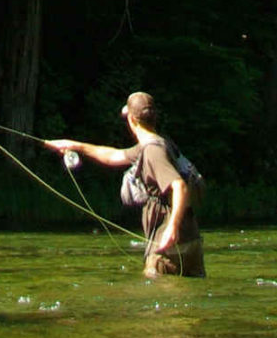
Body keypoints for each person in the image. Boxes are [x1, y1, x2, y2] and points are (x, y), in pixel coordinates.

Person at [45, 91, 204, 278]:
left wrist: (172, 228)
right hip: (190, 240)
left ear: (132, 120)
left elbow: (179, 186)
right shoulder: (157, 143)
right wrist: (73, 145)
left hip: (168, 243)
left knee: (157, 296)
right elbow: (113, 156)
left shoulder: (153, 151)